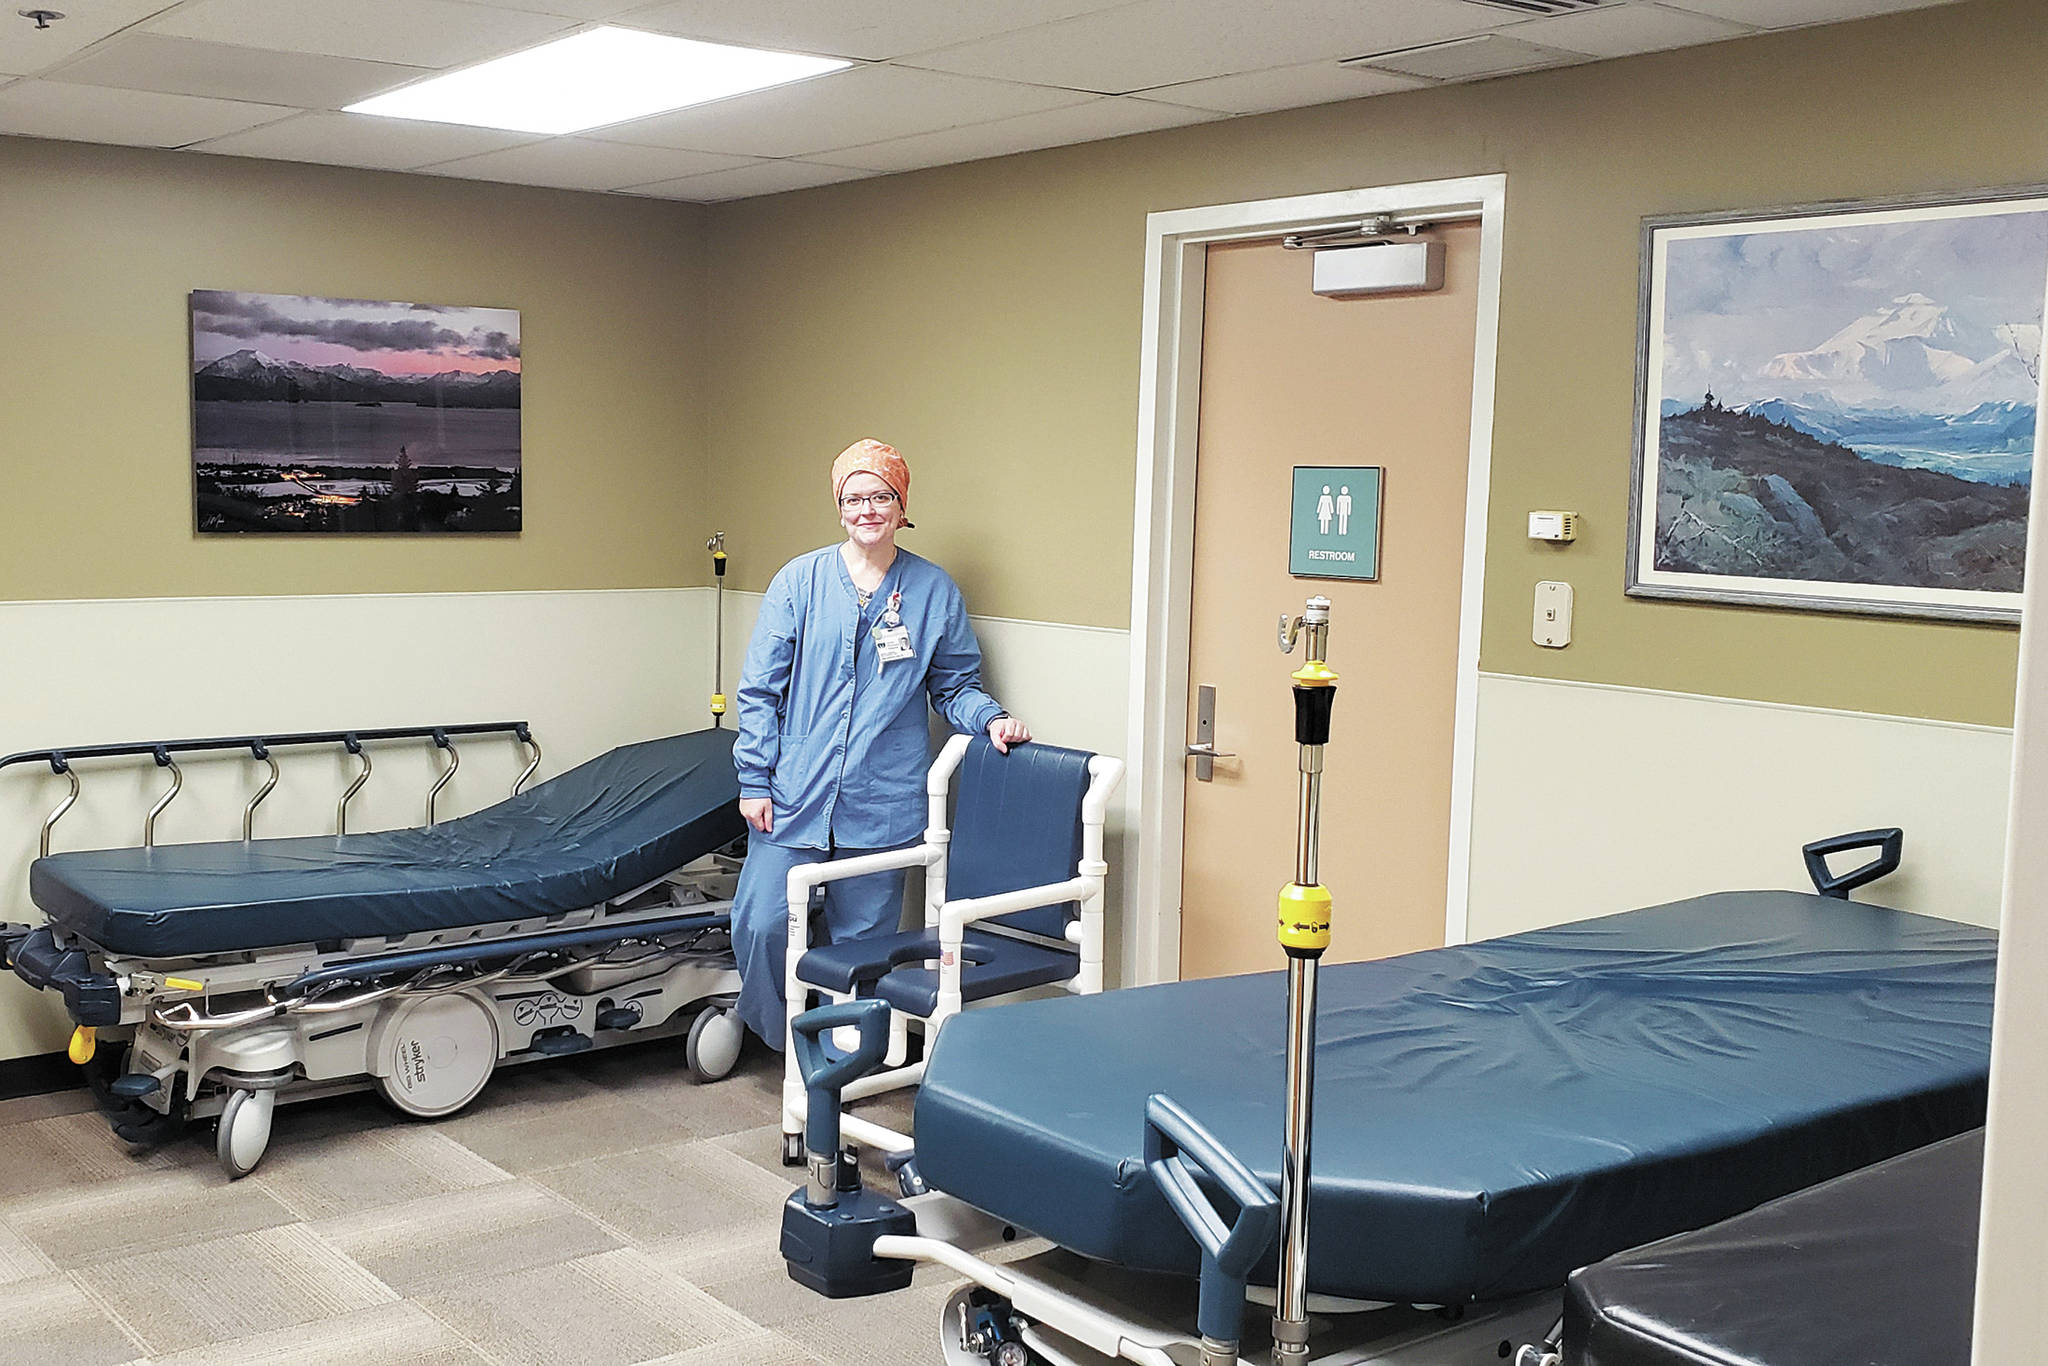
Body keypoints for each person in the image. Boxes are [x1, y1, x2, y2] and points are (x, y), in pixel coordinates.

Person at [729, 439, 1031, 1048]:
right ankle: (787, 1042)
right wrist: (754, 779)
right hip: (794, 797)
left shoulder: (932, 591)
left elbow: (954, 686)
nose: (868, 509)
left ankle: (842, 1061)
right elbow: (759, 690)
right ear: (839, 508)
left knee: (862, 949)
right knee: (760, 926)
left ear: (901, 506)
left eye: (882, 497)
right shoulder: (799, 581)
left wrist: (991, 720)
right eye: (855, 498)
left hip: (881, 803)